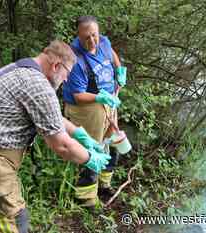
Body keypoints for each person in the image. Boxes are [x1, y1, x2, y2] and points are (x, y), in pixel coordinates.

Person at [0, 40, 111, 233]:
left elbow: (49, 115)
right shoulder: (39, 86)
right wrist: (90, 159)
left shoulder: (22, 68)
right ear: (56, 65)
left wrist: (80, 134)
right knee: (13, 219)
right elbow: (62, 146)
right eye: (67, 74)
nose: (66, 80)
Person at [63, 16, 127, 208]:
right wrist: (100, 97)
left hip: (109, 103)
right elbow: (78, 95)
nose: (92, 41)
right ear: (78, 36)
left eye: (94, 35)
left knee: (112, 141)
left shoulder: (104, 42)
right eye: (86, 38)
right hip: (86, 108)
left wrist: (119, 70)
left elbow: (112, 54)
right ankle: (86, 198)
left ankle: (104, 186)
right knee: (93, 148)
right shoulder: (75, 59)